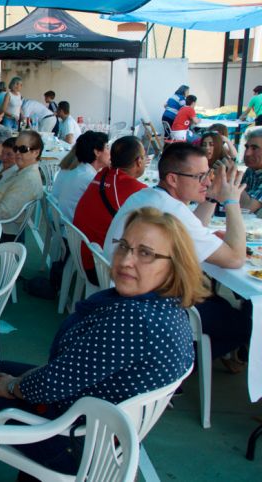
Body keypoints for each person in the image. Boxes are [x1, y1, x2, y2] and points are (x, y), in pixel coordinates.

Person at [0, 207, 206, 475]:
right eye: (124, 246)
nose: (126, 260)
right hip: (105, 426)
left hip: (78, 443)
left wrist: (13, 386)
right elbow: (73, 370)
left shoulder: (134, 320)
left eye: (145, 253)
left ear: (174, 266)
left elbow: (53, 383)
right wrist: (17, 382)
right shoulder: (170, 307)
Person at [104, 143, 251, 363]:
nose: (207, 182)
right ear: (173, 179)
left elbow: (189, 230)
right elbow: (236, 259)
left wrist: (211, 197)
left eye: (208, 175)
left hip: (126, 292)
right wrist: (231, 201)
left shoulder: (148, 196)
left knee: (218, 303)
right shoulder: (172, 210)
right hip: (147, 305)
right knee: (246, 325)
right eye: (200, 177)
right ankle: (178, 361)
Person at [73, 136, 147, 281]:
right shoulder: (138, 191)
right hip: (98, 266)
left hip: (81, 253)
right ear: (139, 161)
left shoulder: (103, 174)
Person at [0, 130, 44, 236]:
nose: (17, 153)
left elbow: (5, 211)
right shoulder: (22, 171)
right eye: (16, 149)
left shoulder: (28, 179)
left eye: (23, 149)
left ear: (36, 153)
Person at [52, 131, 110, 220]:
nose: (110, 152)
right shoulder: (90, 178)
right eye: (107, 147)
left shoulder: (79, 171)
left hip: (62, 221)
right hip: (71, 225)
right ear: (97, 152)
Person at [240, 129, 262, 214]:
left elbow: (247, 209)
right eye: (246, 147)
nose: (247, 153)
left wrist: (232, 177)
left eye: (254, 148)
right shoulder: (251, 170)